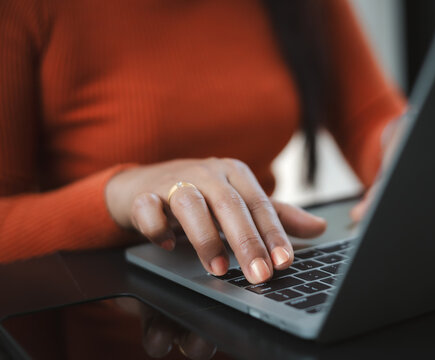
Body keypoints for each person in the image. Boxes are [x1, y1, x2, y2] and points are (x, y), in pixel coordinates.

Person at [0, 0, 406, 286]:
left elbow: (368, 118)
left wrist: (406, 145)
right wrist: (119, 194)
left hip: (265, 278)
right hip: (100, 309)